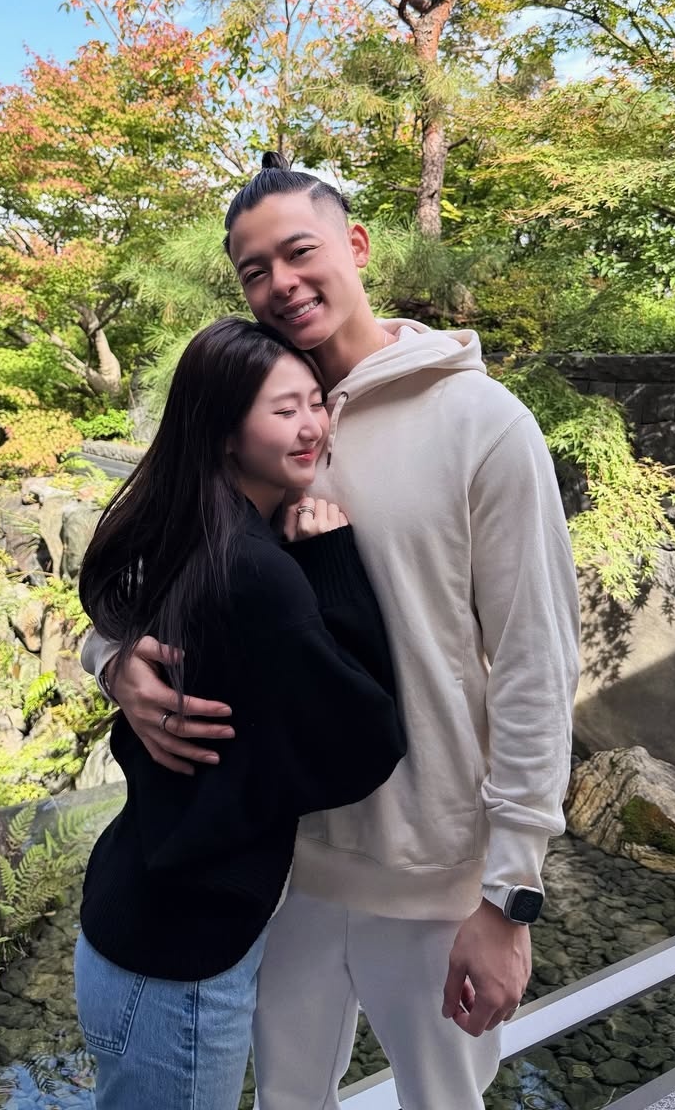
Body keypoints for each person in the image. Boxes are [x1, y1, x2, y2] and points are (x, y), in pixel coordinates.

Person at [84, 153, 581, 1110]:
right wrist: (113, 663)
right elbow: (145, 564)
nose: (280, 282)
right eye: (254, 270)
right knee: (286, 1100)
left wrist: (511, 894)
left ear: (356, 245)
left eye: (298, 251)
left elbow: (536, 662)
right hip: (281, 871)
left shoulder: (482, 422)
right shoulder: (257, 407)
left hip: (434, 877)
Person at [73, 315, 406, 1110]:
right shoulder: (253, 570)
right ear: (225, 432)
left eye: (318, 403)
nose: (313, 427)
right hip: (179, 961)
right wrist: (332, 561)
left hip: (133, 922)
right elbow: (364, 740)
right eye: (284, 410)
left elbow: (114, 607)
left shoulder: (189, 530)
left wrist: (110, 661)